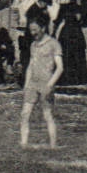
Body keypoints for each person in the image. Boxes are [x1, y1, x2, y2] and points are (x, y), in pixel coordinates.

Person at [20, 11, 64, 148]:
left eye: (35, 30)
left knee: (47, 115)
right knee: (24, 114)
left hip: (46, 84)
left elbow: (60, 68)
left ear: (43, 28)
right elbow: (30, 66)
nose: (32, 33)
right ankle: (24, 144)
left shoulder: (53, 44)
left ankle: (53, 145)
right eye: (30, 30)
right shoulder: (33, 45)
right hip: (32, 84)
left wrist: (50, 85)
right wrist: (26, 84)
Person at [55, 0, 87, 87]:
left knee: (71, 54)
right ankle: (75, 78)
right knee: (73, 54)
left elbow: (57, 21)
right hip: (72, 32)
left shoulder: (66, 7)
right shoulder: (76, 7)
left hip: (70, 32)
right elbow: (85, 22)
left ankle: (71, 78)